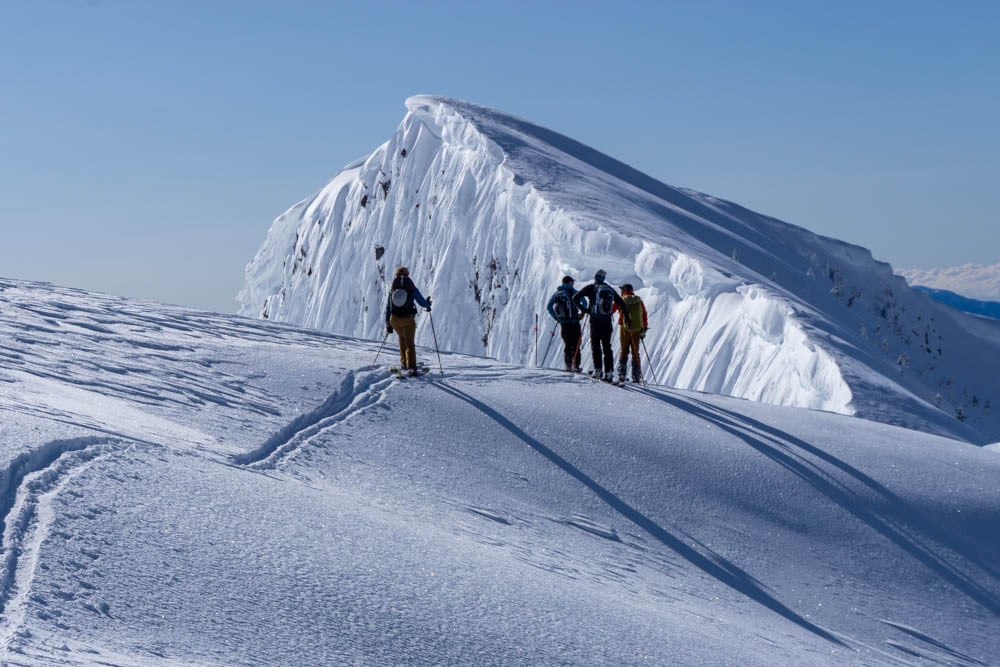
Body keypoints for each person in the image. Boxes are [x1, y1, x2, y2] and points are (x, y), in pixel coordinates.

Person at [573, 269, 628, 381]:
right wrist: (627, 317)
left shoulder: (590, 288)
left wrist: (586, 310)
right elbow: (621, 302)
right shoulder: (609, 289)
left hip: (595, 321)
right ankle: (609, 373)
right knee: (607, 347)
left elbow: (575, 298)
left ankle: (598, 371)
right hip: (607, 322)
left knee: (596, 346)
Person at [385, 266, 431, 376]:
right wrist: (428, 304)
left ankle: (404, 363)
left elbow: (388, 306)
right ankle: (411, 368)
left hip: (394, 319)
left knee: (402, 338)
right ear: (407, 274)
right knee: (410, 343)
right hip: (407, 319)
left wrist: (388, 323)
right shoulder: (410, 286)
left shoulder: (393, 287)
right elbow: (421, 301)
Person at [546, 275, 583, 372]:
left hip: (564, 324)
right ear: (569, 282)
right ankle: (576, 366)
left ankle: (568, 365)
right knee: (576, 344)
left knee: (567, 345)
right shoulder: (573, 292)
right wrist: (582, 313)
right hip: (574, 322)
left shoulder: (557, 294)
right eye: (572, 282)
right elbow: (584, 301)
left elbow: (549, 307)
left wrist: (557, 318)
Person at [613, 283, 648, 383]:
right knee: (635, 352)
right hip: (637, 329)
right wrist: (644, 328)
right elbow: (644, 314)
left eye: (621, 290)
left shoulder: (622, 299)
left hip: (624, 329)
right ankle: (636, 376)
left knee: (624, 351)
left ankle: (622, 375)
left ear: (624, 290)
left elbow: (612, 309)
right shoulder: (638, 300)